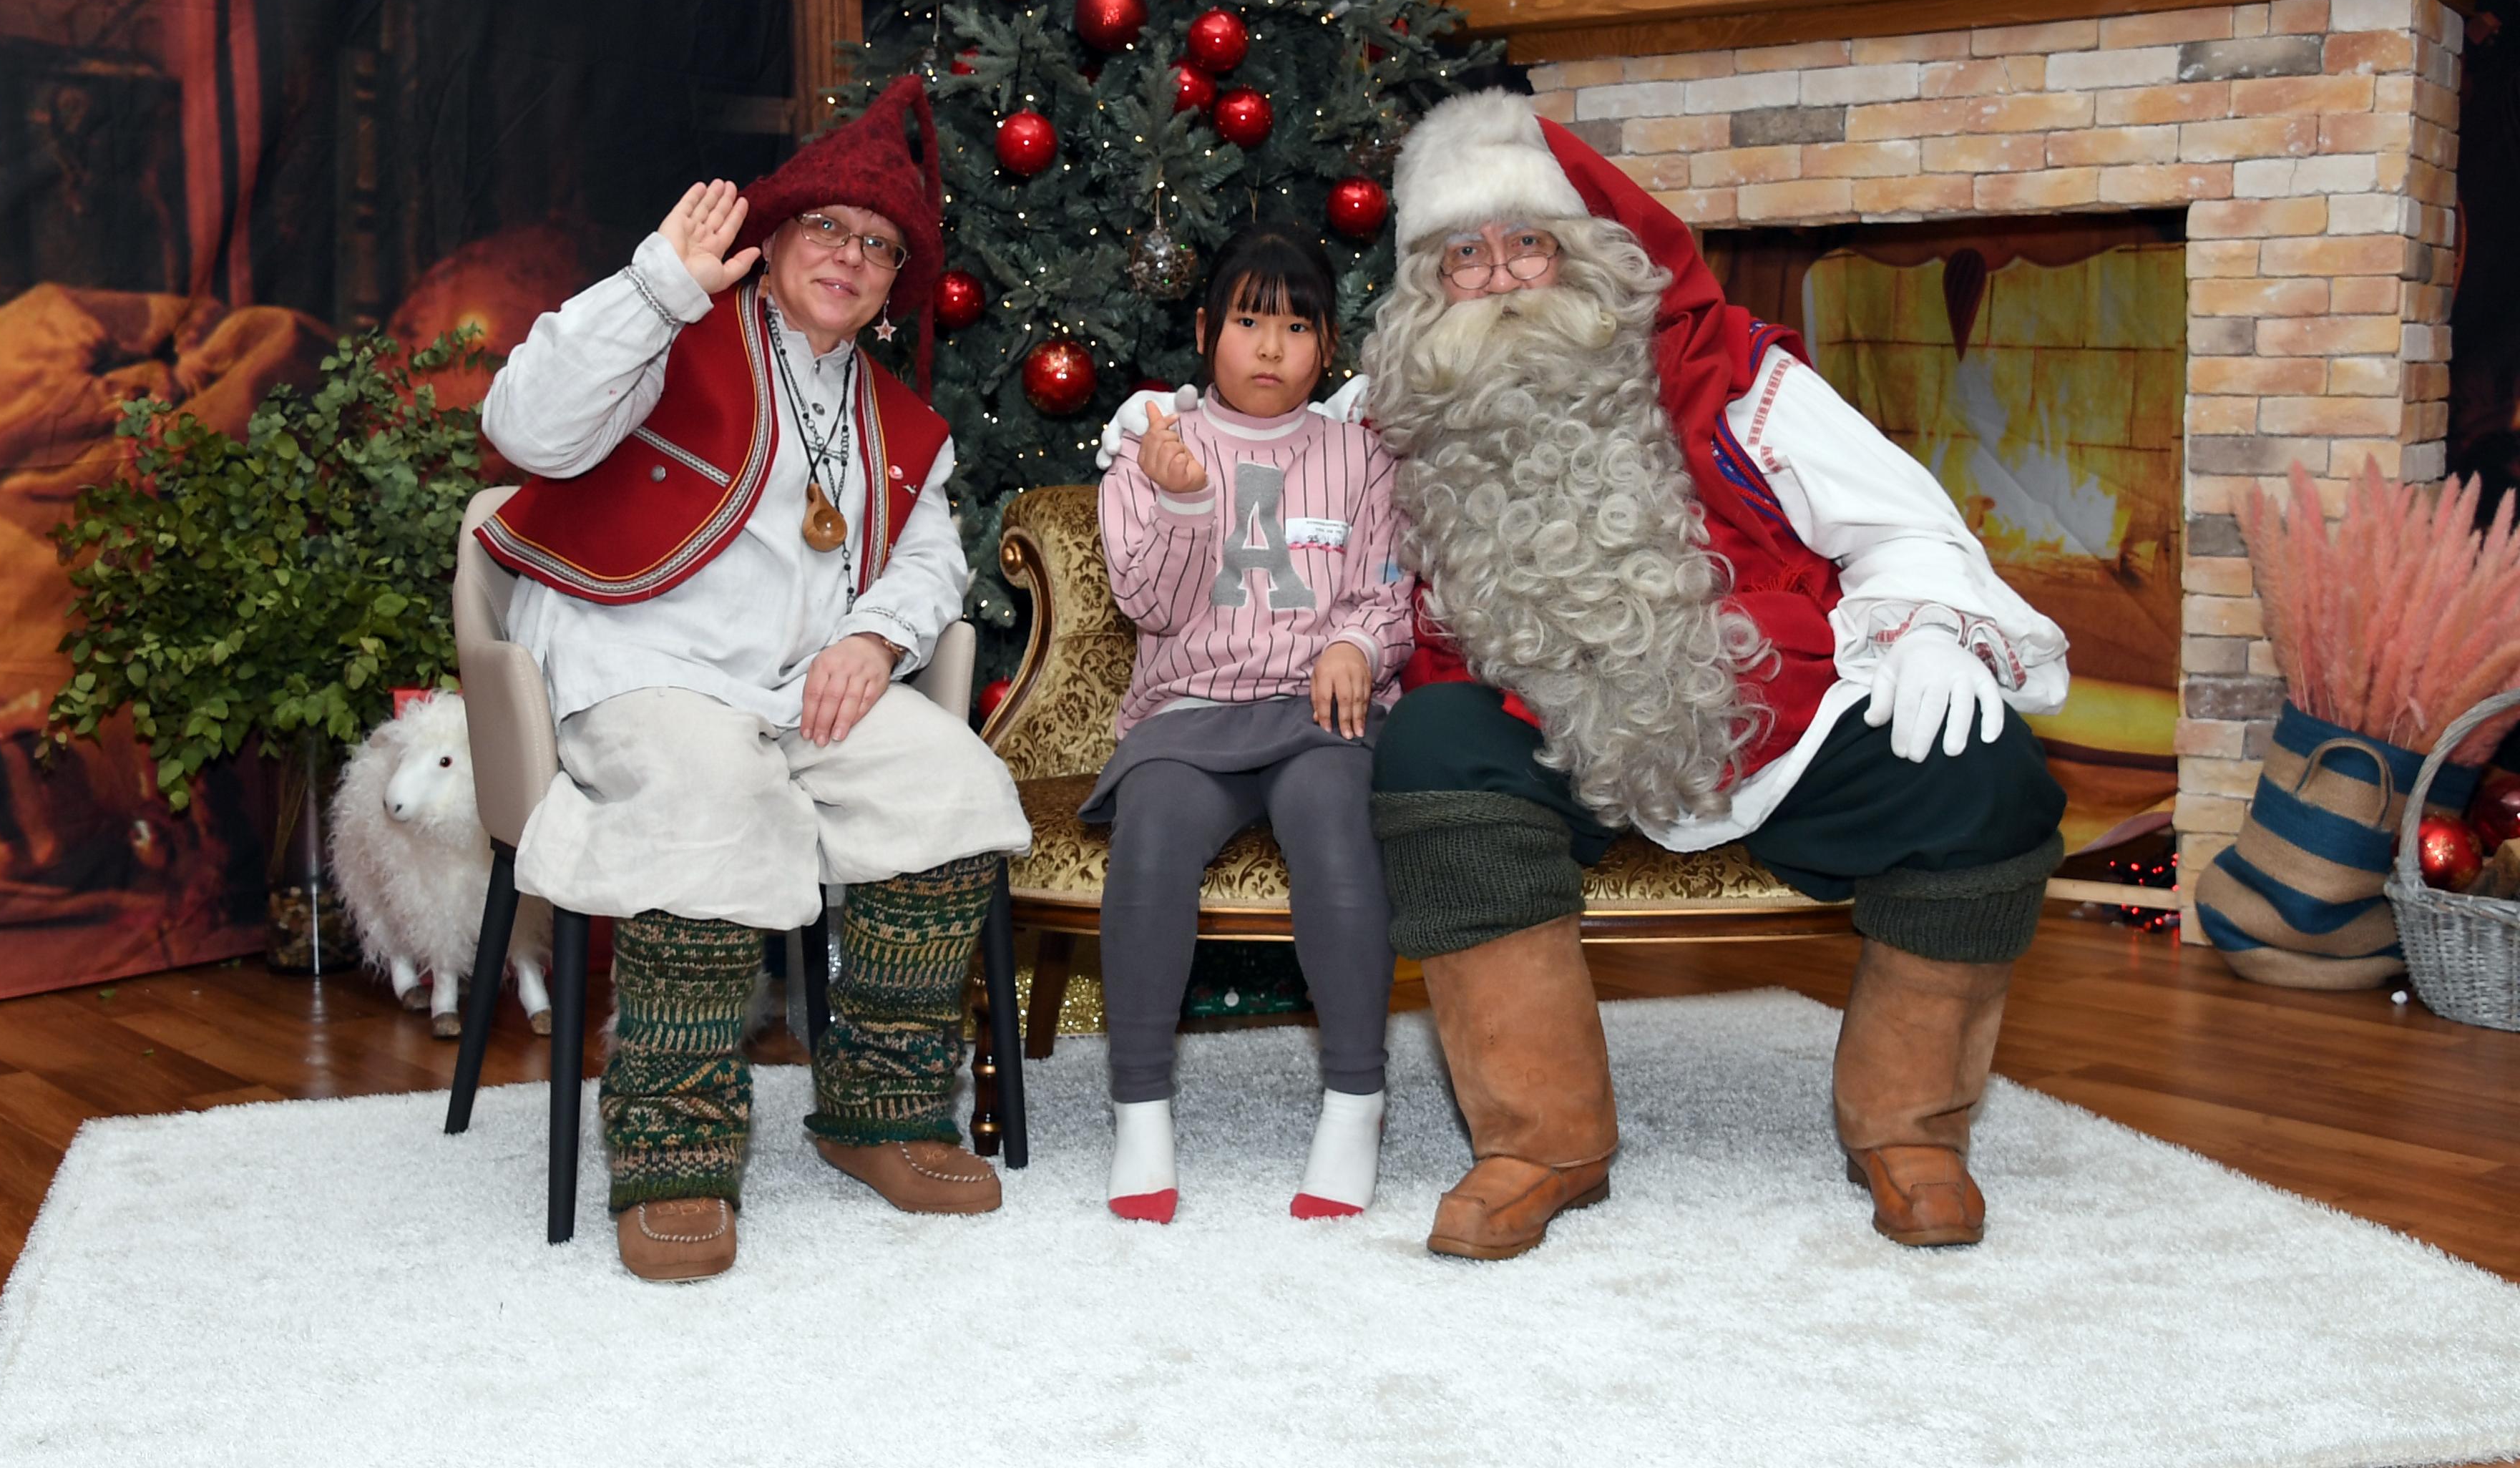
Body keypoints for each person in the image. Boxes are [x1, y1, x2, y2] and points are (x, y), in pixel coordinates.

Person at [1097, 90, 2069, 1259]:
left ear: (1588, 256)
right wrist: (1146, 430)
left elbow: (1899, 519)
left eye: (1529, 244)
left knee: (1983, 773)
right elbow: (1251, 420)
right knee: (1433, 753)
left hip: (1757, 709)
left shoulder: (1733, 376)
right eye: (1466, 255)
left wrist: (1925, 631)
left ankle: (1912, 1131)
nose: (1501, 277)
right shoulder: (1401, 404)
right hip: (1538, 728)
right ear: (1427, 288)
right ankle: (1537, 1138)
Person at [478, 78, 1030, 1282]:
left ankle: (878, 1112)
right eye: (828, 227)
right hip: (641, 661)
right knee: (709, 804)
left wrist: (876, 636)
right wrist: (655, 283)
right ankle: (673, 1152)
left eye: (880, 247)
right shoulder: (667, 330)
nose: (851, 255)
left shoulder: (901, 419)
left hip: (802, 690)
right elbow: (524, 429)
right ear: (772, 239)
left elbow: (932, 554)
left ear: (894, 288)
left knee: (952, 789)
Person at [1085, 225, 1412, 1223]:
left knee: (1332, 824)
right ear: (1205, 331)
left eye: (1297, 326)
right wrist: (1184, 503)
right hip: (1188, 713)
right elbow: (1150, 607)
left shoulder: (1358, 457)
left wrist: (1356, 645)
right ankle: (1140, 1112)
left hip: (1316, 711)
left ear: (1328, 348)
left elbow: (1384, 592)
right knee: (1151, 841)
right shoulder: (1152, 448)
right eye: (1247, 321)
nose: (1270, 348)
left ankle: (1355, 1100)